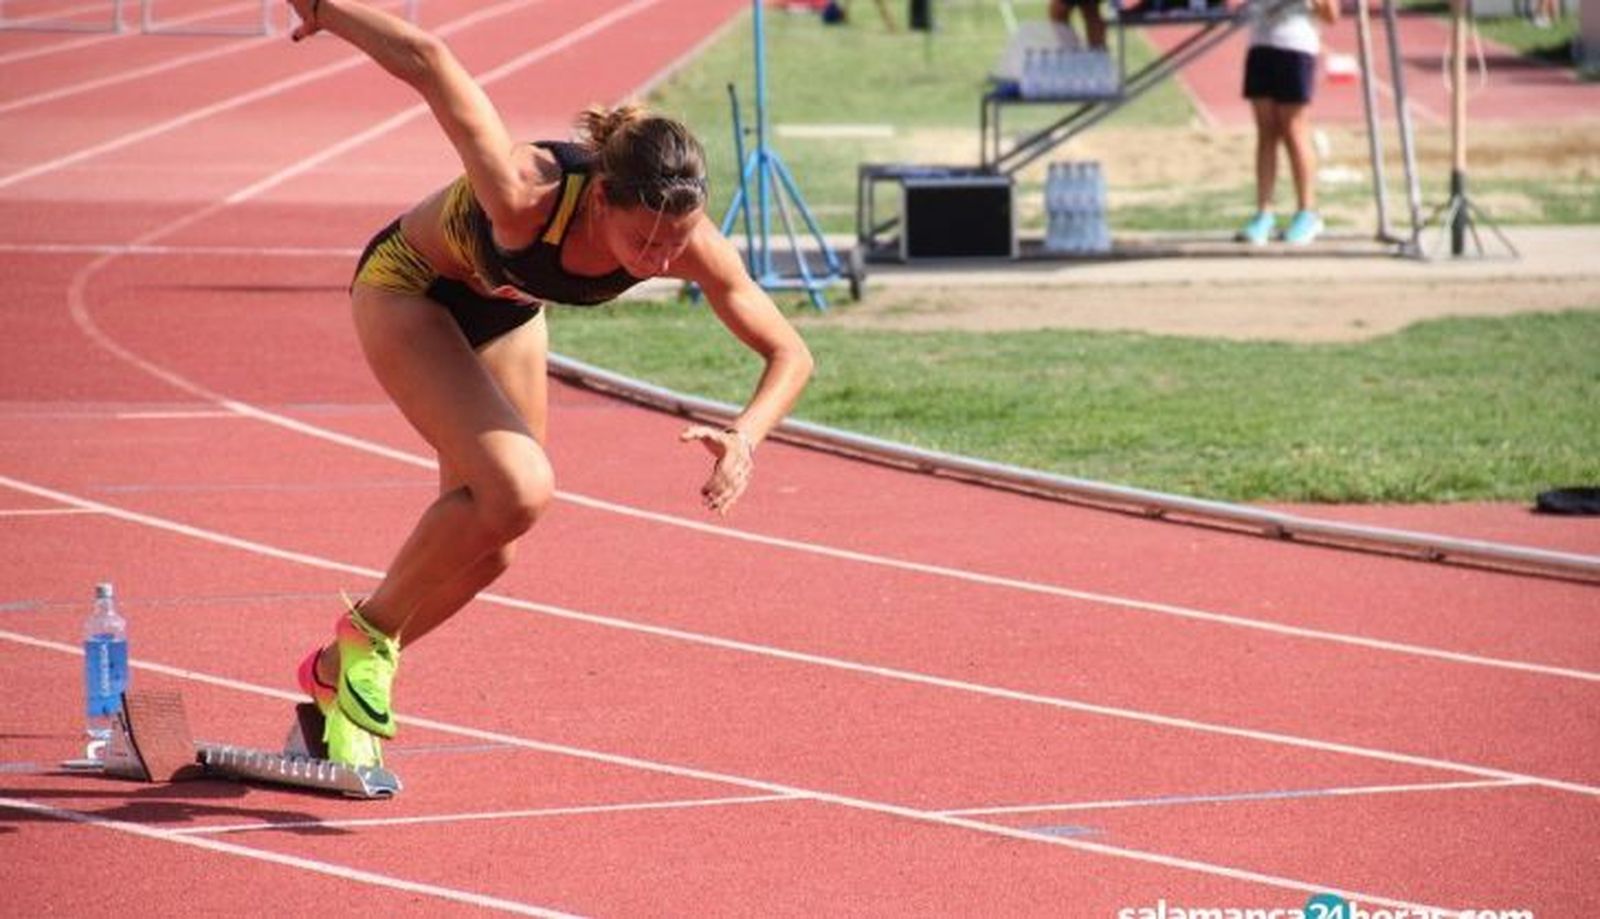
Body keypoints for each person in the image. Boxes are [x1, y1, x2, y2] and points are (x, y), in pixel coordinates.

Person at [282, 0, 815, 766]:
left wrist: (745, 436)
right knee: (520, 489)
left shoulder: (684, 238)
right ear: (599, 200)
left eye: (675, 241)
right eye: (644, 241)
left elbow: (790, 353)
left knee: (491, 547)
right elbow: (431, 61)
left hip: (506, 312)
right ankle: (364, 639)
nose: (662, 259)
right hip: (411, 291)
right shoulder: (522, 193)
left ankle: (337, 670)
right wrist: (326, 8)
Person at [1235, 0, 1339, 246]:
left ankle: (1307, 212)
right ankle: (1264, 213)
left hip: (1295, 44)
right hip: (1261, 43)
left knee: (1294, 130)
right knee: (1266, 131)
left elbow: (1331, 14)